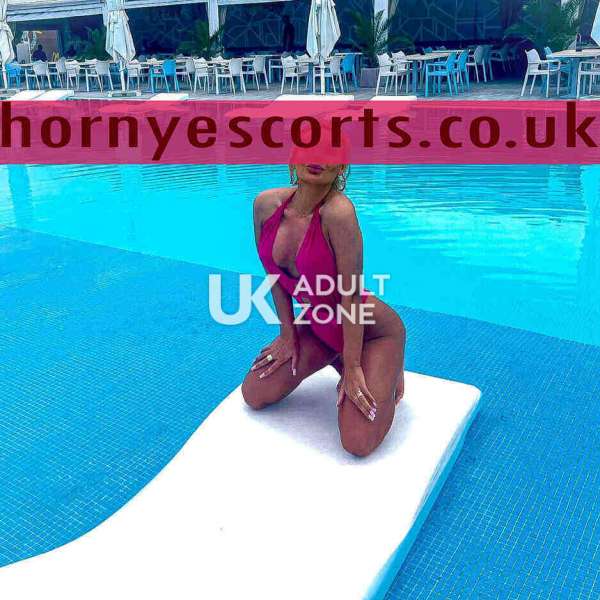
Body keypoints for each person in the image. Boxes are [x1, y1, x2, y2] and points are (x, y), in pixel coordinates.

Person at [242, 149, 406, 458]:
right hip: (321, 326)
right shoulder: (265, 205)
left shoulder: (338, 213)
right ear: (293, 158)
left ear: (342, 166)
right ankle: (337, 356)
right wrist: (287, 335)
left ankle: (388, 364)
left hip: (372, 333)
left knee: (357, 441)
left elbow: (351, 294)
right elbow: (273, 274)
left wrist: (353, 367)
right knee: (255, 392)